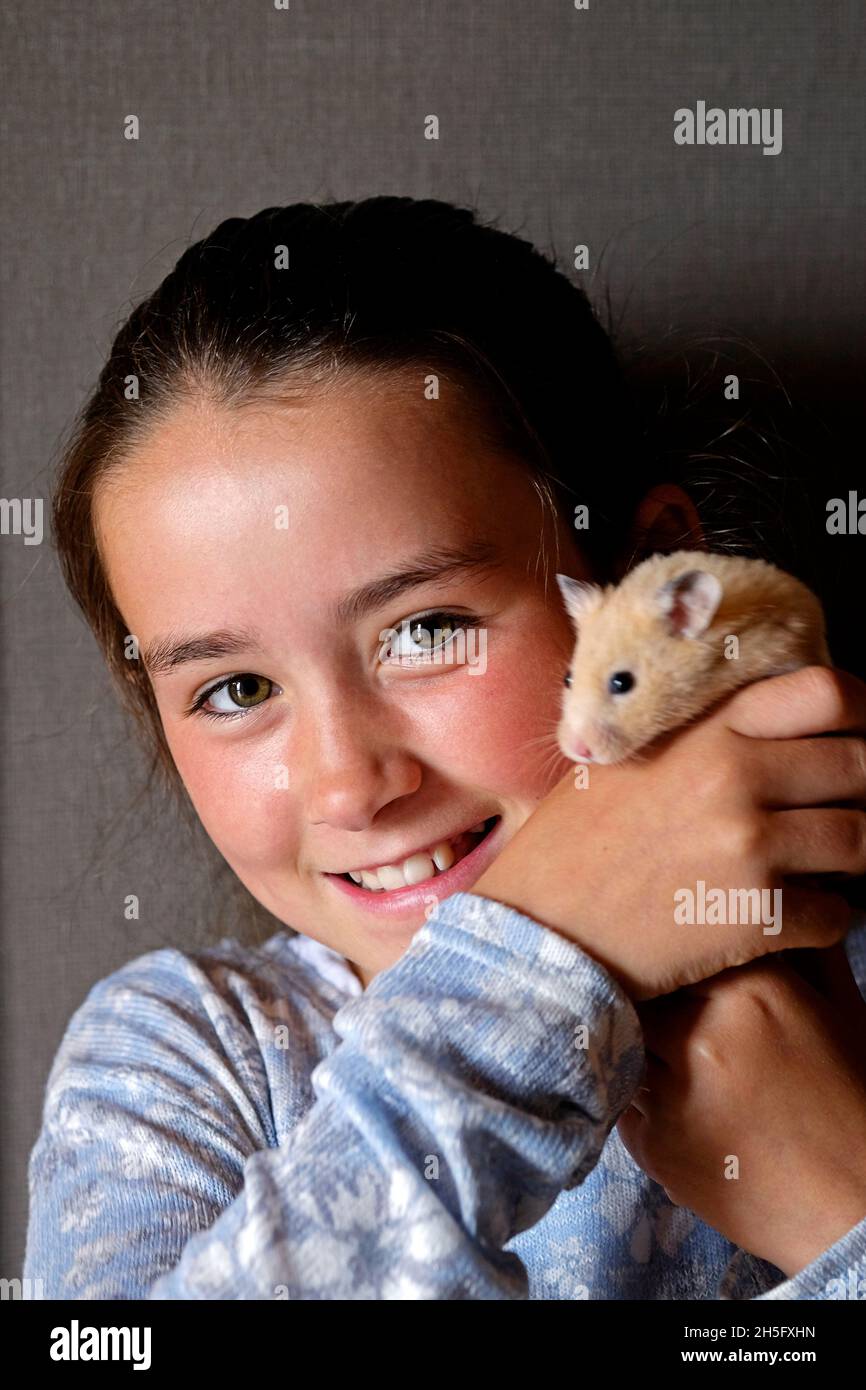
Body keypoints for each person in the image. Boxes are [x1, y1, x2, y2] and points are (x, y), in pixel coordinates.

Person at [24, 197, 866, 1299]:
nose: (347, 784)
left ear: (652, 582)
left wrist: (837, 1209)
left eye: (424, 631)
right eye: (234, 688)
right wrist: (539, 966)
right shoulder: (183, 1065)